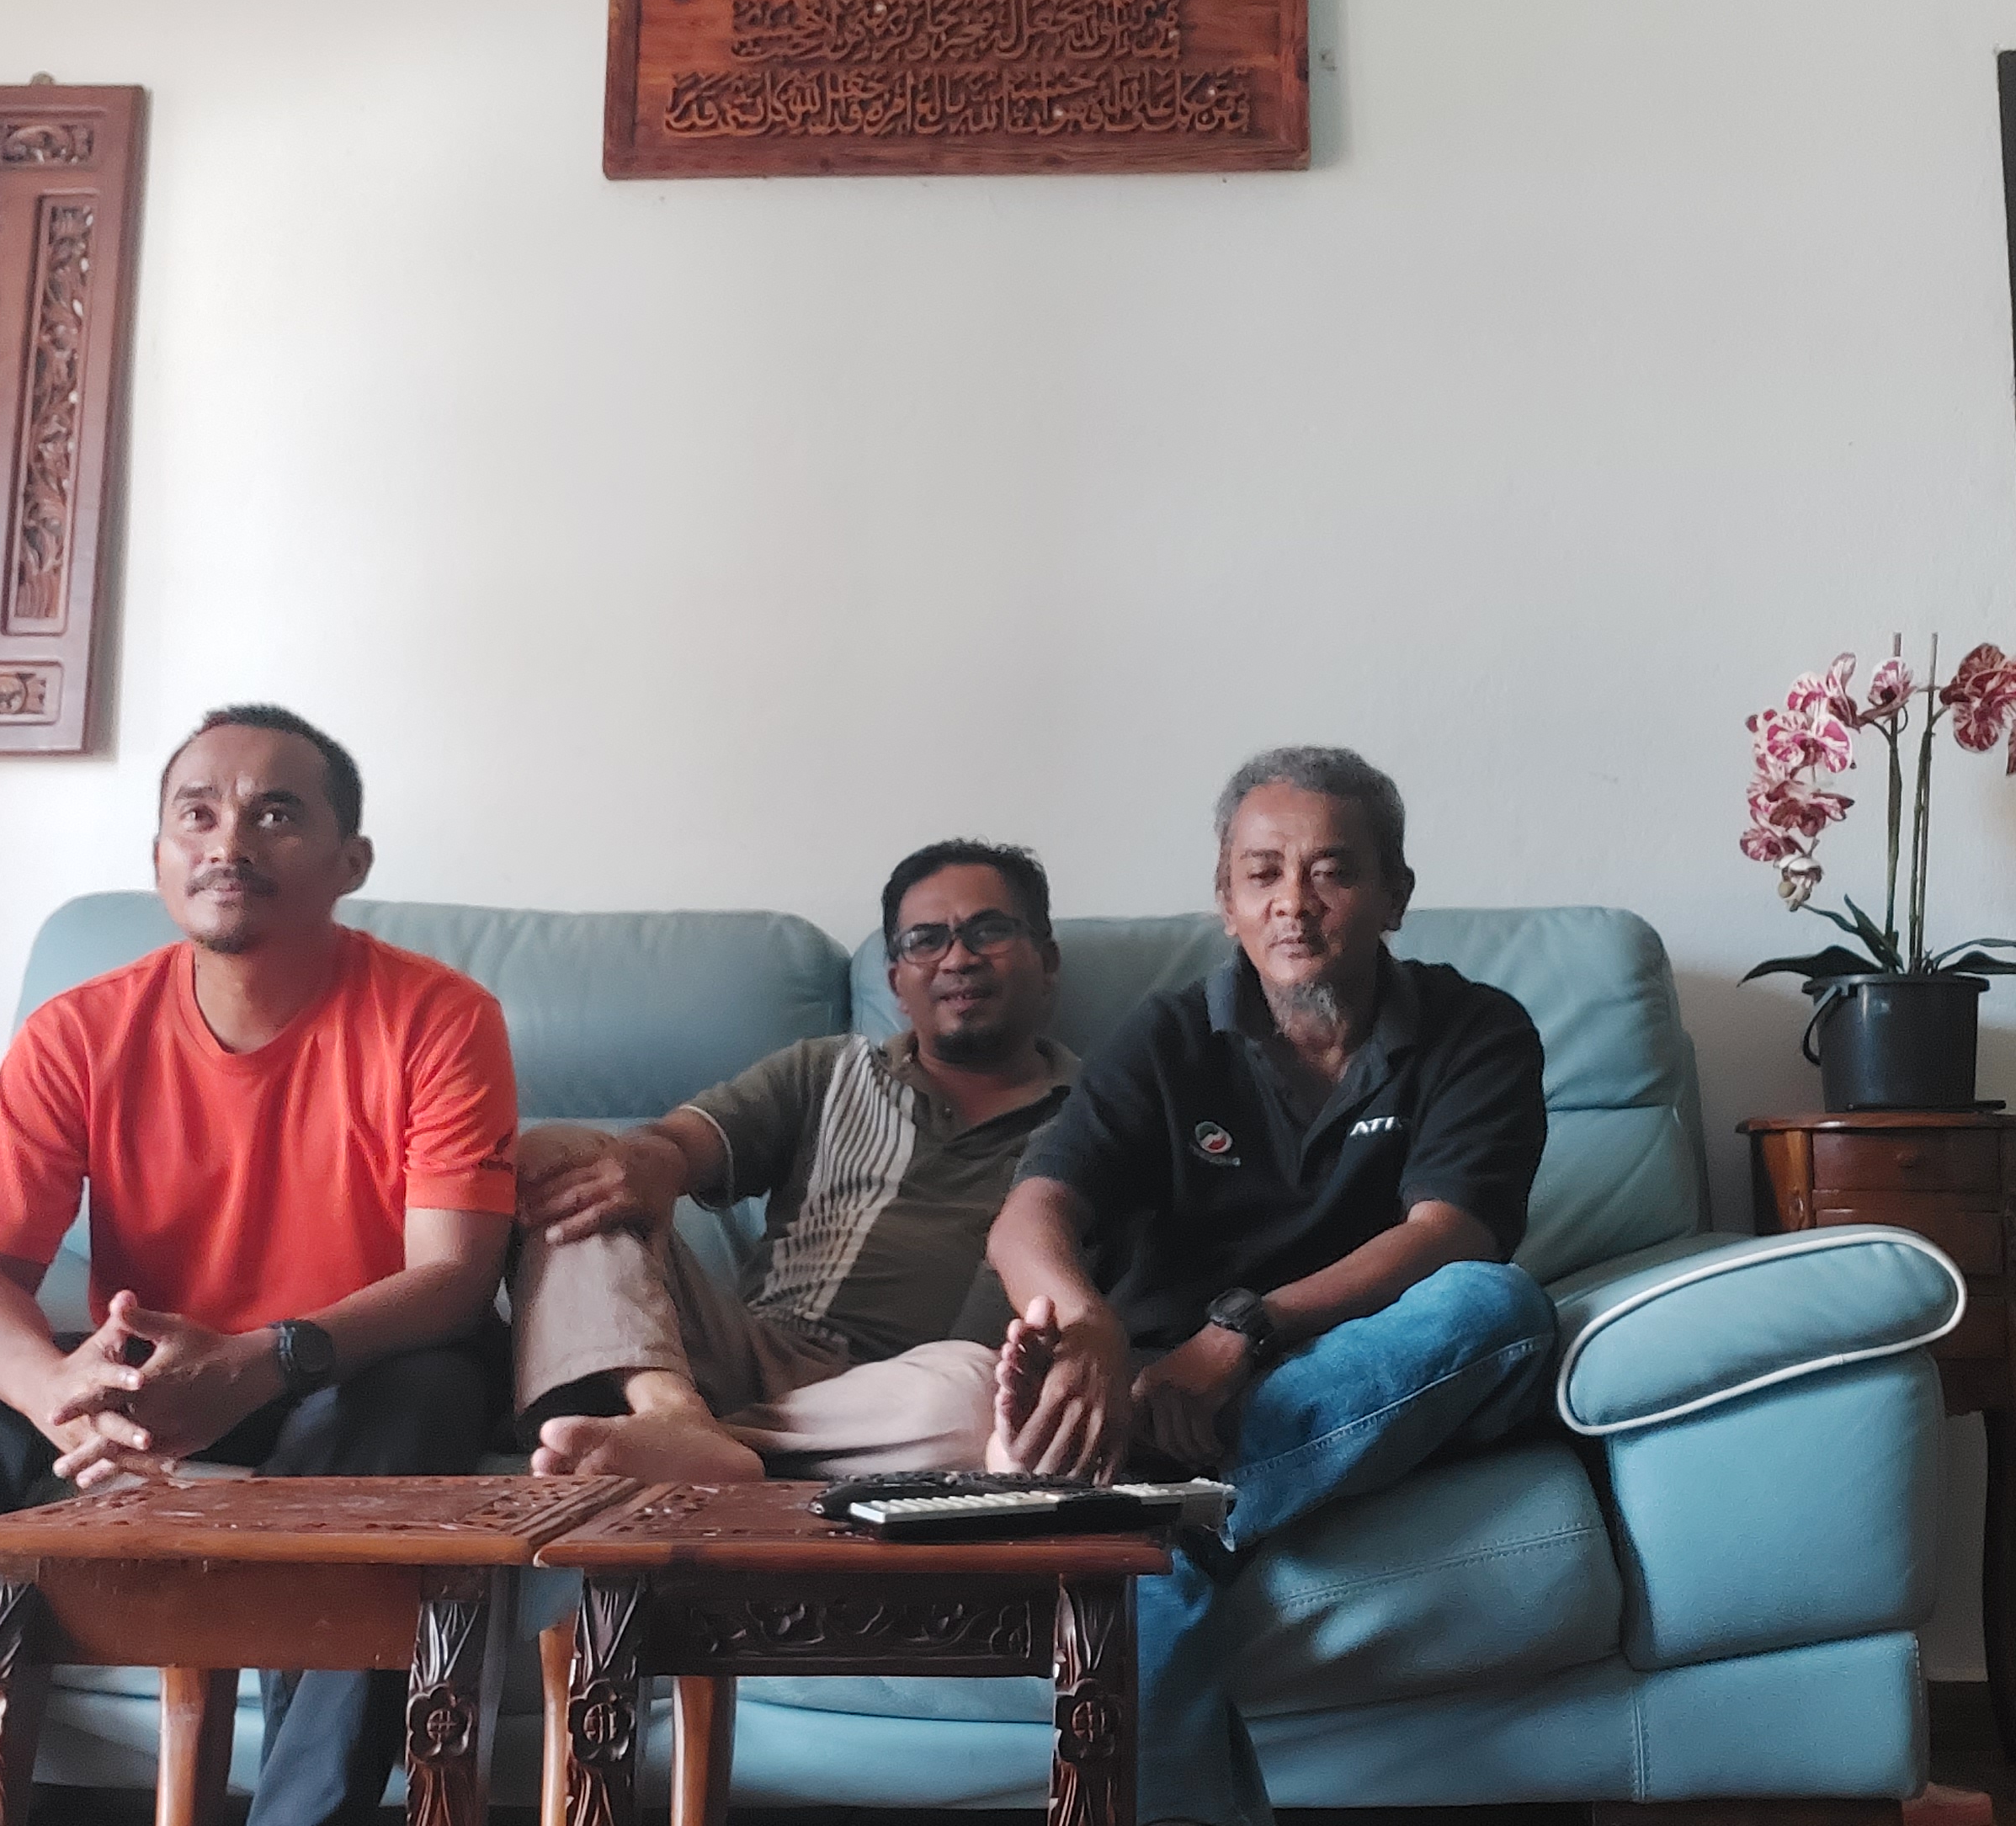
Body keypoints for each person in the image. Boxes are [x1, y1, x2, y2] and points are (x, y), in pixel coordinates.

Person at [0, 705, 519, 1826]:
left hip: (351, 1362)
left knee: (418, 1398)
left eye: (276, 814)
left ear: (351, 862)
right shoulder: (78, 1032)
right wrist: (58, 1390)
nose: (229, 840)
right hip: (151, 1374)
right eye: (199, 813)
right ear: (159, 858)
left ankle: (307, 1814)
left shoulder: (438, 1017)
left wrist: (265, 1359)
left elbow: (454, 1276)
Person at [984, 747, 1561, 1826]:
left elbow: (1449, 1231)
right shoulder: (1166, 1038)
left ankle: (1166, 1502)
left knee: (1499, 1304)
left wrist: (1243, 1331)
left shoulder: (1478, 1027)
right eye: (1262, 873)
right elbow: (1030, 1214)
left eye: (1332, 871)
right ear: (1226, 899)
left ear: (1394, 894)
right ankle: (1174, 1518)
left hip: (1373, 1374)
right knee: (1147, 1580)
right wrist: (1086, 1315)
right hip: (1171, 1386)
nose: (1294, 902)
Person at [509, 840, 1081, 1480]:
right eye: (926, 940)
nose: (958, 958)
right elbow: (679, 1143)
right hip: (735, 1351)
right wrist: (649, 1163)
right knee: (559, 1157)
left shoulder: (1098, 1118)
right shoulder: (826, 1070)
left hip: (903, 1391)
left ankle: (702, 1448)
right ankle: (672, 1416)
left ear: (1047, 960)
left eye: (989, 931)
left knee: (976, 1397)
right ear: (897, 981)